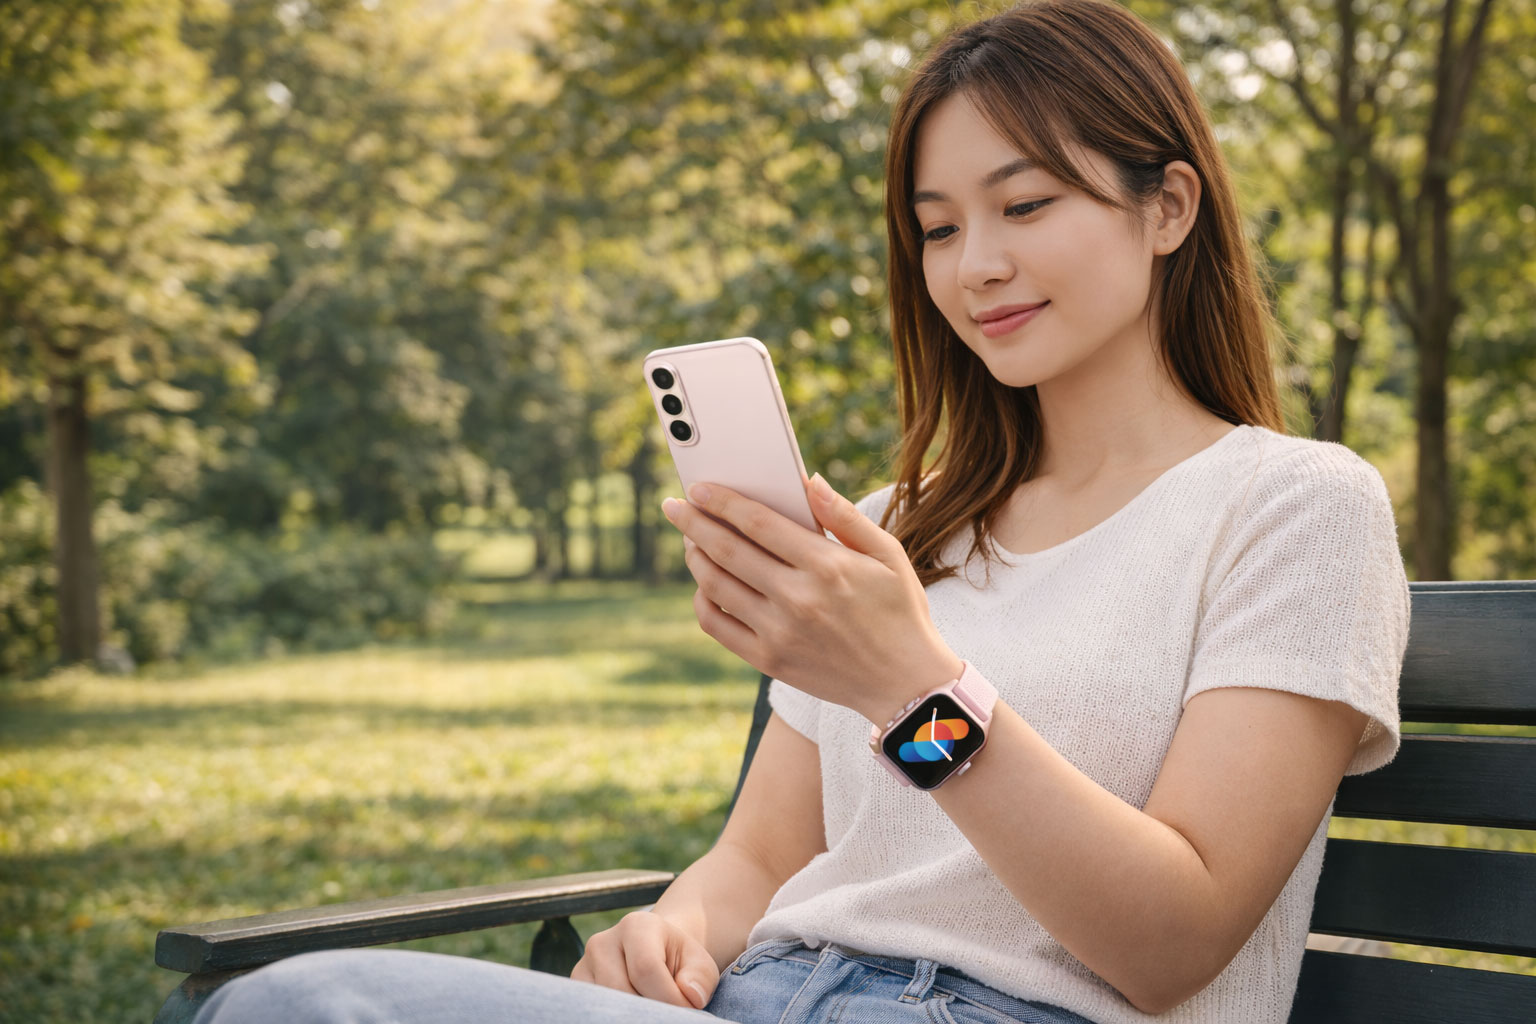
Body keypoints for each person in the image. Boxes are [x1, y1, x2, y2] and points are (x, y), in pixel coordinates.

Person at [192, 1, 1409, 1022]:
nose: (973, 263)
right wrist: (670, 926)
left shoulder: (1294, 508)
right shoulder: (900, 528)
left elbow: (1172, 939)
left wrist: (909, 687)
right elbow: (764, 857)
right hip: (765, 991)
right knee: (301, 1002)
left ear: (1169, 209)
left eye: (1024, 205)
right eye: (937, 228)